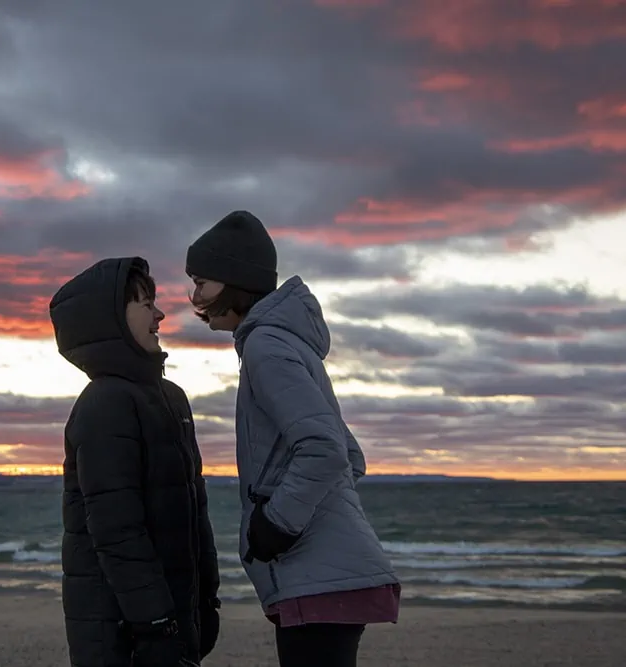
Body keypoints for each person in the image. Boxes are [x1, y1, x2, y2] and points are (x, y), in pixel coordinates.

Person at [185, 211, 401, 667]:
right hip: (329, 572)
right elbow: (350, 454)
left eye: (201, 282)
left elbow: (326, 449)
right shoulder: (282, 344)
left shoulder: (266, 347)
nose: (194, 296)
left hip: (319, 576)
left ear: (233, 280)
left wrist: (278, 523)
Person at [49, 256, 221, 667]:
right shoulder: (104, 405)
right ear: (110, 319)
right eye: (146, 304)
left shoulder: (171, 398)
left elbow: (195, 514)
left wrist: (205, 601)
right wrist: (155, 623)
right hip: (122, 633)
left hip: (173, 620)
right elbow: (117, 530)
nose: (160, 314)